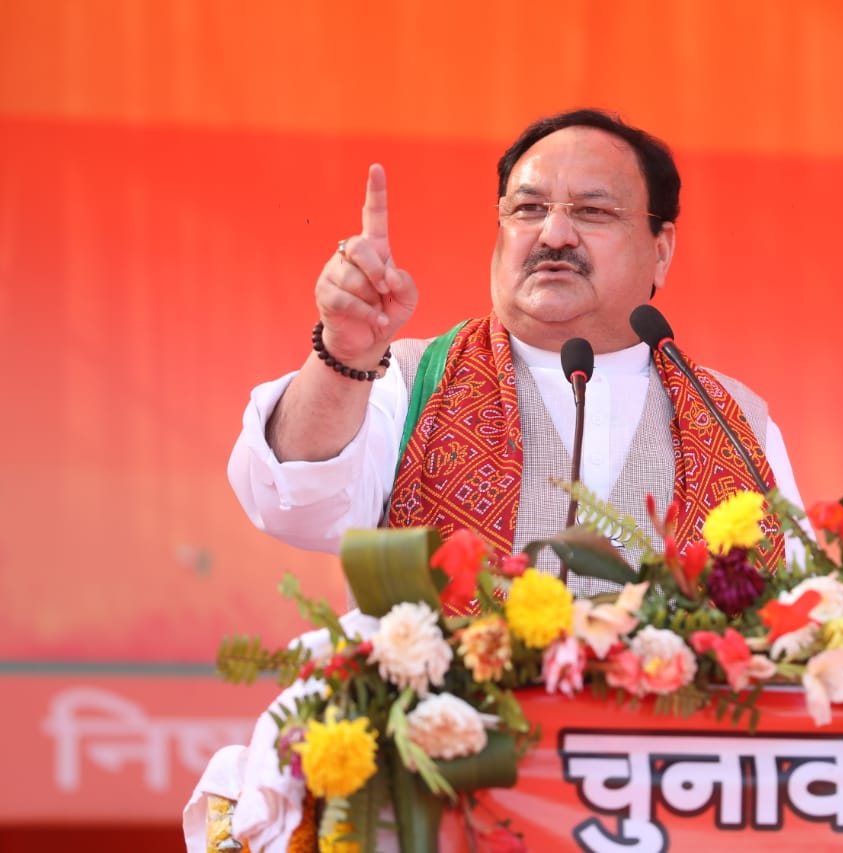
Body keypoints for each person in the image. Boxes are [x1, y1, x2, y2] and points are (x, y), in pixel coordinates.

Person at [228, 108, 807, 594]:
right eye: (528, 209)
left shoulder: (733, 419)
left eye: (593, 211)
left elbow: (802, 617)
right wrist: (344, 353)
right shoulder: (408, 379)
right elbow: (293, 507)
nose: (553, 234)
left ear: (661, 250)